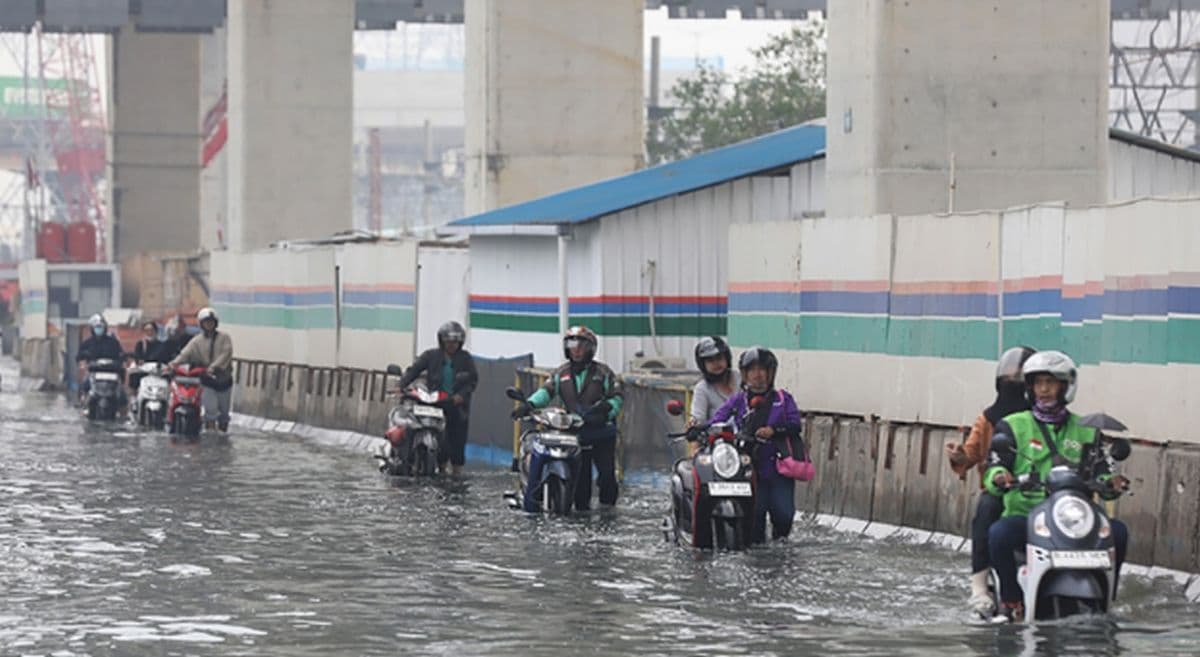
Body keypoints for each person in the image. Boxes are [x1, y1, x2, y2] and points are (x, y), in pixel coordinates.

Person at [985, 350, 1130, 623]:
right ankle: (1011, 600)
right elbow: (994, 466)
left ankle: (1109, 595)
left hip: (1074, 520)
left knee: (1119, 532)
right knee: (999, 533)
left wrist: (1111, 483)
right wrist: (1000, 477)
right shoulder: (1012, 426)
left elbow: (1102, 472)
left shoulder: (1086, 429)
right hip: (1029, 516)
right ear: (1030, 387)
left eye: (1050, 383)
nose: (1044, 390)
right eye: (1038, 383)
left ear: (1066, 386)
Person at [945, 345, 1036, 617]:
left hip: (1039, 492)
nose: (1013, 381)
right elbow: (971, 453)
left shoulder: (1043, 417)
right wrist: (960, 455)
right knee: (986, 510)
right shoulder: (988, 419)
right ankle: (980, 587)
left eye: (1020, 376)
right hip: (1001, 490)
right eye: (1009, 376)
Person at [513, 325, 623, 511]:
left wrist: (605, 411)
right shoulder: (561, 373)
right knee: (581, 484)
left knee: (607, 478)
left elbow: (617, 398)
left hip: (601, 432)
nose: (576, 350)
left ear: (591, 349)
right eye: (572, 345)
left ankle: (608, 513)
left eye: (581, 346)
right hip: (574, 433)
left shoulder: (603, 372)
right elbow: (546, 392)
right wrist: (529, 405)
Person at [709, 346, 804, 544]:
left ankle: (780, 549)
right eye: (751, 370)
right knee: (754, 520)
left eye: (762, 369)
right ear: (744, 374)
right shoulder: (738, 401)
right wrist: (700, 427)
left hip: (779, 470)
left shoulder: (783, 399)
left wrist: (774, 431)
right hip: (750, 470)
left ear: (771, 373)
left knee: (784, 515)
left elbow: (795, 425)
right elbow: (718, 420)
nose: (757, 375)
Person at [397, 320, 478, 475]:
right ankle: (428, 464)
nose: (451, 345)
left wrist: (461, 395)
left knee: (457, 441)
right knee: (433, 434)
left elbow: (472, 381)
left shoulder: (466, 359)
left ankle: (456, 472)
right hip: (434, 402)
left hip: (456, 406)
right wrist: (401, 385)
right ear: (442, 341)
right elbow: (414, 370)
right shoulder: (431, 356)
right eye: (448, 342)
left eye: (455, 342)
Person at [169, 307, 234, 432]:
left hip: (224, 379)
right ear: (201, 324)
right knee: (210, 411)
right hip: (207, 381)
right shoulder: (196, 341)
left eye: (211, 322)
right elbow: (185, 353)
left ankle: (223, 433)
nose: (209, 325)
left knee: (224, 413)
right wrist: (173, 364)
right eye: (206, 322)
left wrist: (214, 367)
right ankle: (211, 435)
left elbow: (226, 354)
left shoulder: (224, 338)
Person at [75, 313, 127, 408]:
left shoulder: (113, 342)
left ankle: (123, 412)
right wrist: (83, 361)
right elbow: (79, 357)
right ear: (92, 328)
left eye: (101, 327)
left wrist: (122, 360)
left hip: (112, 373)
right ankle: (84, 405)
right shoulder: (87, 343)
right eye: (97, 327)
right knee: (84, 386)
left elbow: (121, 354)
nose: (99, 329)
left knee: (121, 395)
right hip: (94, 373)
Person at [689, 336, 740, 427]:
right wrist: (694, 424)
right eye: (710, 360)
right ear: (703, 365)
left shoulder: (739, 377)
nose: (716, 363)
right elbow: (698, 417)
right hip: (717, 435)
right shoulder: (702, 388)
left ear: (727, 358)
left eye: (719, 358)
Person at [128, 320, 170, 393]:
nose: (149, 332)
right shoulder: (140, 344)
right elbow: (137, 356)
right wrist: (139, 361)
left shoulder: (162, 345)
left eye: (151, 330)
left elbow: (164, 359)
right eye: (147, 330)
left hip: (158, 372)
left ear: (156, 331)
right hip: (143, 371)